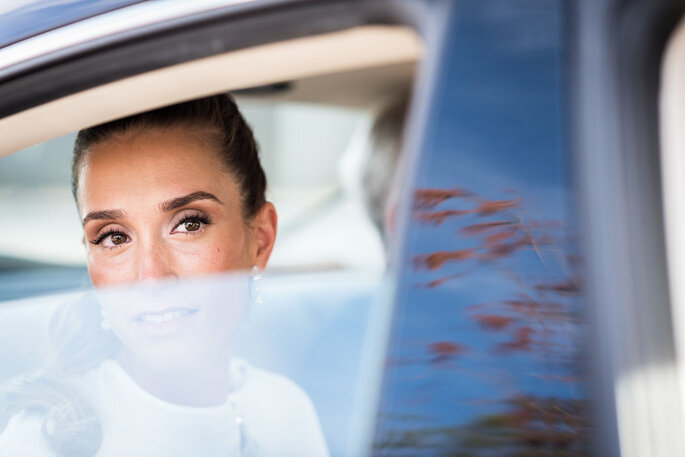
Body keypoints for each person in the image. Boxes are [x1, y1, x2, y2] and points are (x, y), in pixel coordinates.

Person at [0, 94, 329, 457]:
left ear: (261, 240)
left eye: (189, 224)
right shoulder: (47, 439)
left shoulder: (286, 410)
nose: (152, 277)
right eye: (114, 237)